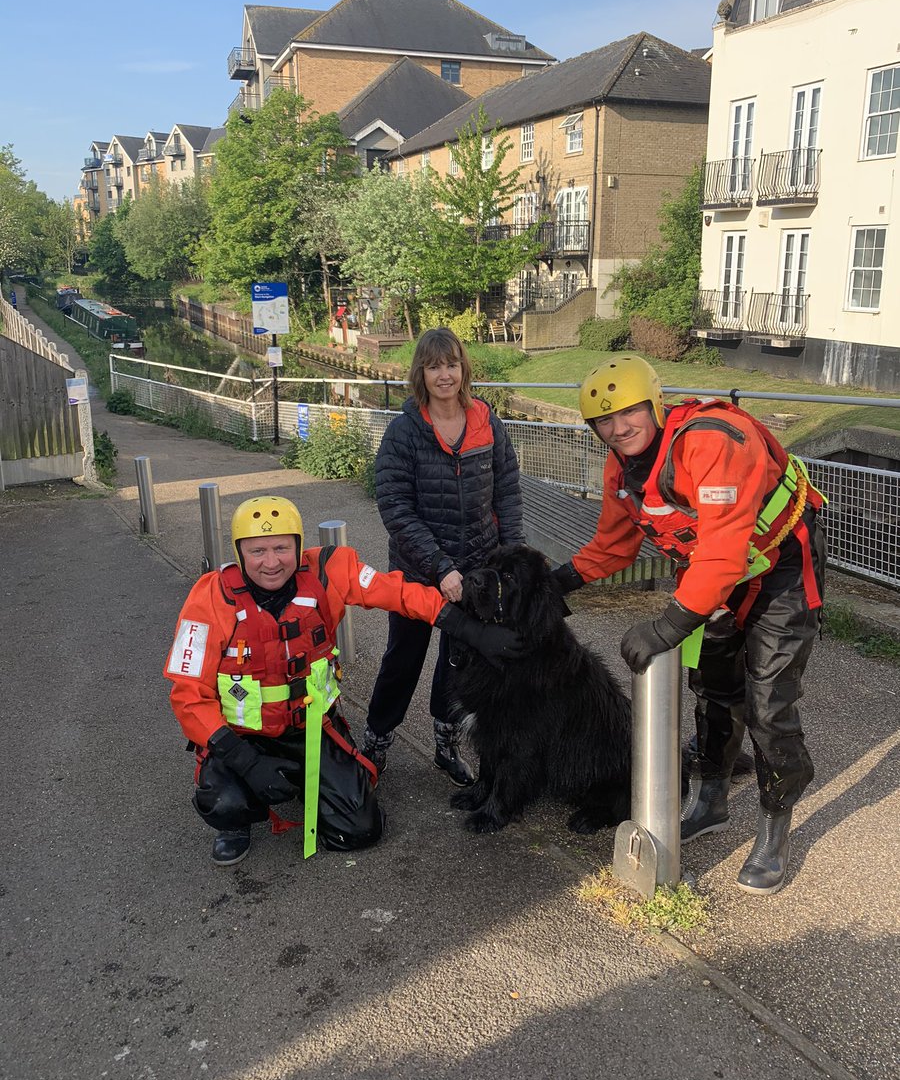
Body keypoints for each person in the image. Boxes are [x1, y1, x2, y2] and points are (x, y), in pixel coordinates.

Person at [551, 355, 826, 896]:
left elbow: (724, 553)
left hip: (781, 567)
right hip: (711, 574)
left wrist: (667, 626)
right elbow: (613, 545)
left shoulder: (710, 441)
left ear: (655, 405)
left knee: (769, 704)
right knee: (713, 688)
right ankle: (710, 800)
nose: (618, 428)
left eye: (628, 413)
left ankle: (775, 826)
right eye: (603, 421)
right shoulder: (620, 470)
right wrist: (555, 581)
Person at [163, 495, 523, 866]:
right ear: (240, 553)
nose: (271, 563)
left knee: (360, 830)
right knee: (225, 800)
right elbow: (188, 696)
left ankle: (307, 781)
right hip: (241, 737)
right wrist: (245, 761)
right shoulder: (211, 597)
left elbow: (397, 592)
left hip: (311, 729)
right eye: (258, 551)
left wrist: (468, 628)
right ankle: (236, 823)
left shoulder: (326, 572)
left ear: (298, 546)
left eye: (281, 548)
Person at [363, 327, 525, 784]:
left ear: (463, 369)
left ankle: (445, 742)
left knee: (459, 660)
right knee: (403, 658)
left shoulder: (486, 422)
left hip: (476, 568)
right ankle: (376, 742)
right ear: (421, 373)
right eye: (434, 366)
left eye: (451, 364)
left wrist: (509, 557)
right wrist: (440, 567)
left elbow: (508, 491)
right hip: (418, 570)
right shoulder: (404, 432)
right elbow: (395, 506)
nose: (444, 375)